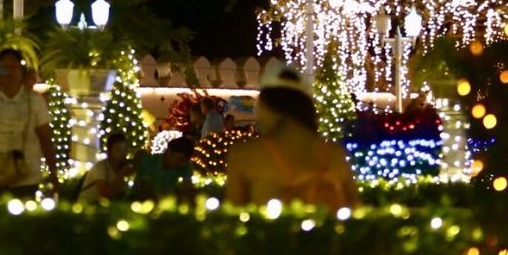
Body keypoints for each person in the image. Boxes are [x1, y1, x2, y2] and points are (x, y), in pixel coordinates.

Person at [225, 66, 358, 209]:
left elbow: (232, 214)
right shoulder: (335, 154)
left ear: (264, 104)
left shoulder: (246, 154)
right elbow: (355, 209)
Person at [0, 48, 58, 198]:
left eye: (14, 67)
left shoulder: (35, 100)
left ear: (21, 70)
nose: (9, 72)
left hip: (26, 174)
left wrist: (53, 172)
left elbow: (45, 137)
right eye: (4, 68)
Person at [134, 136, 194, 201]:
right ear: (169, 152)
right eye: (179, 159)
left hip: (167, 202)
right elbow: (144, 190)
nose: (181, 164)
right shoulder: (149, 161)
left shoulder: (185, 165)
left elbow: (188, 189)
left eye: (185, 161)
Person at [78, 133, 134, 202]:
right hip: (88, 205)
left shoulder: (123, 167)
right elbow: (104, 196)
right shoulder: (100, 167)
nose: (123, 153)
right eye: (118, 150)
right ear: (109, 151)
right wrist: (121, 174)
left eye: (125, 149)